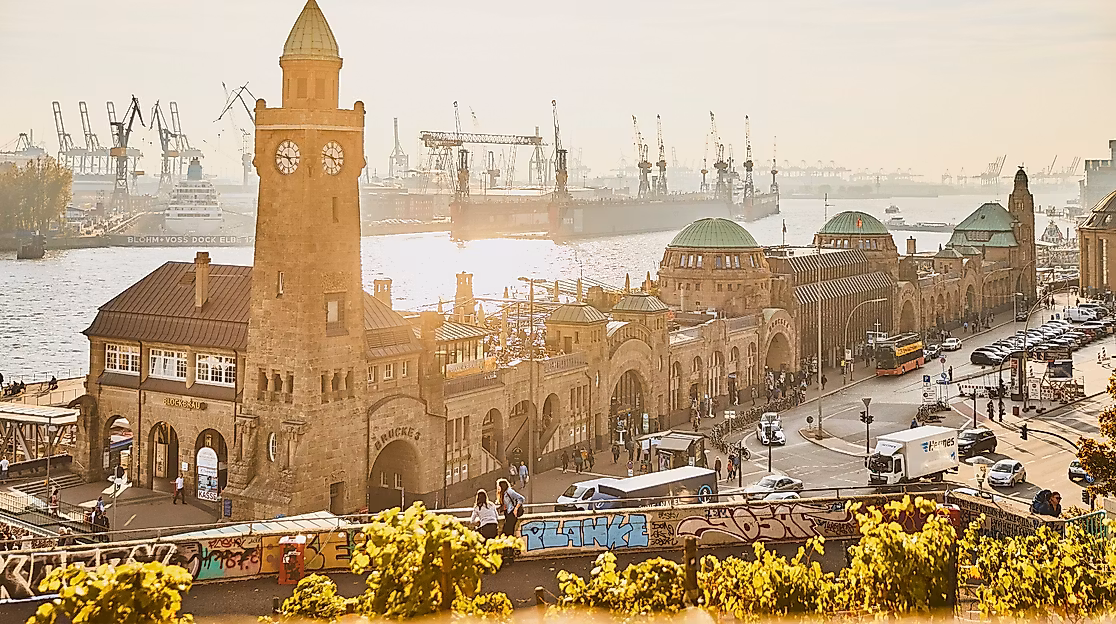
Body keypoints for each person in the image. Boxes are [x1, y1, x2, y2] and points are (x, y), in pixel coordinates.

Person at [495, 478, 525, 558]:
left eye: (498, 486)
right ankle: (509, 552)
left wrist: (515, 509)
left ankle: (509, 552)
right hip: (508, 515)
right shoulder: (503, 493)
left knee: (506, 533)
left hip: (512, 516)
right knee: (508, 533)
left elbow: (521, 498)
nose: (497, 488)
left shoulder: (509, 491)